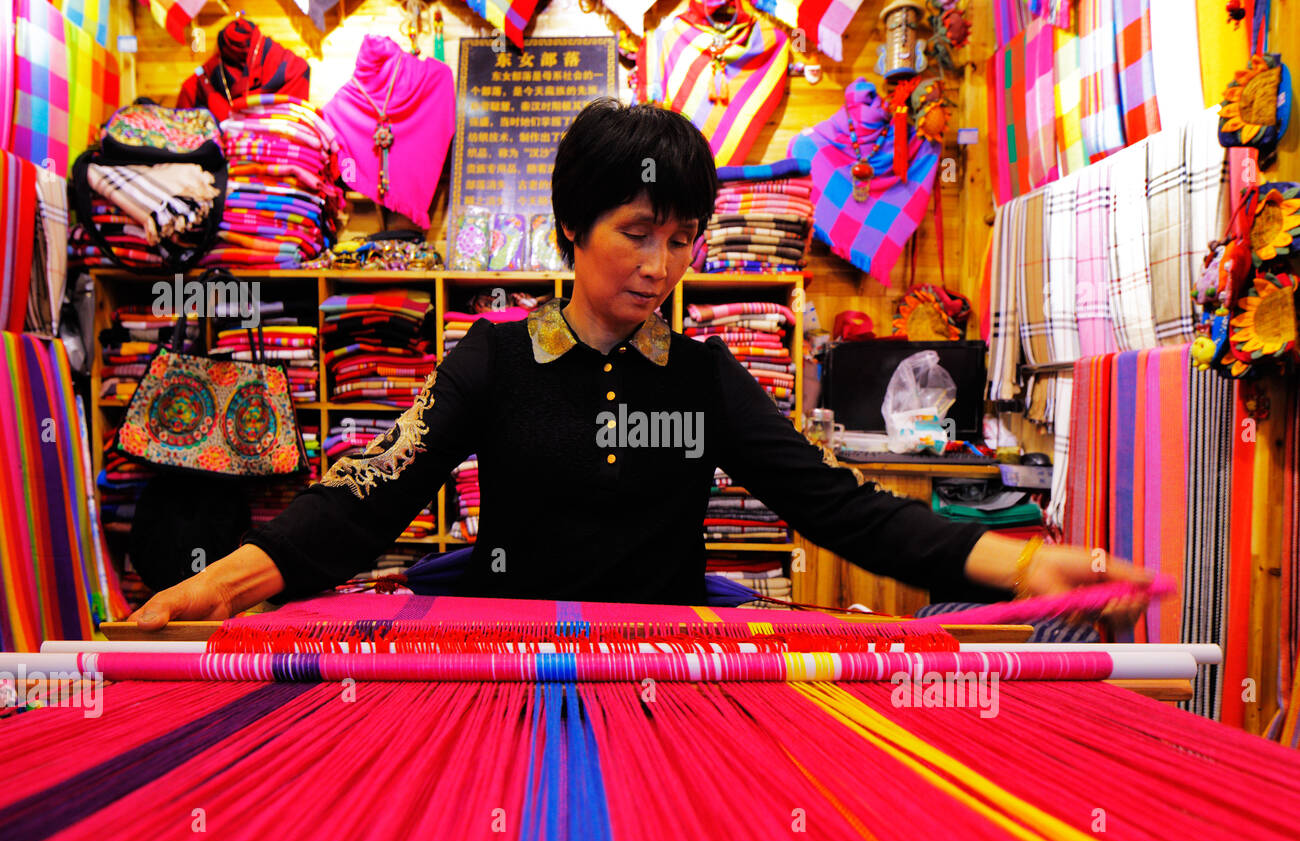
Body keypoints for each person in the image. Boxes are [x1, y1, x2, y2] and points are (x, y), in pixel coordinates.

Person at [130, 98, 1154, 630]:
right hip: (512, 656)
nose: (663, 265)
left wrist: (1024, 563)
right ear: (570, 227)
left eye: (683, 237)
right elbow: (365, 497)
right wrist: (208, 588)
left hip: (666, 658)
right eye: (637, 231)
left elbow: (841, 508)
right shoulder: (491, 359)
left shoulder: (703, 378)